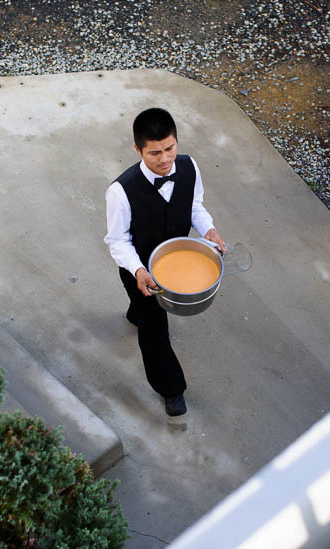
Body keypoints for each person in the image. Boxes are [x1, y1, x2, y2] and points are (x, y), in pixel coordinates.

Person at [104, 107, 226, 417]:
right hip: (142, 271)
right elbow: (118, 241)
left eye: (170, 148)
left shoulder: (189, 167)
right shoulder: (120, 191)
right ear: (138, 150)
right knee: (154, 330)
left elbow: (194, 205)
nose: (165, 159)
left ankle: (136, 313)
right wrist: (139, 271)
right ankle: (171, 388)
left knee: (143, 315)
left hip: (177, 260)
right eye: (154, 152)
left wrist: (208, 229)